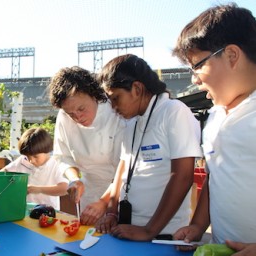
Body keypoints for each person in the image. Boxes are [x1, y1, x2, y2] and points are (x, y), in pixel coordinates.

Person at [171, 3, 256, 255]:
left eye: (197, 65)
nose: (194, 79)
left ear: (231, 55)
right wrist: (198, 225)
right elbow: (215, 176)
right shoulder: (216, 114)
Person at [95, 54, 202, 241]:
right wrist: (112, 212)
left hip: (163, 234)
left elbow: (183, 176)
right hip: (128, 229)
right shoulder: (131, 122)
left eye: (116, 98)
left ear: (137, 88)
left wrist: (149, 230)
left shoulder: (174, 112)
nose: (113, 107)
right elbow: (122, 170)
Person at [48, 66, 128, 225]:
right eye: (71, 114)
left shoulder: (115, 111)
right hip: (90, 194)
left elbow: (126, 167)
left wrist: (105, 202)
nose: (77, 116)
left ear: (94, 95)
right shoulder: (64, 116)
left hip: (123, 191)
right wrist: (74, 179)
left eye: (81, 109)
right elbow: (63, 156)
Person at [0, 127, 68, 210]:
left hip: (48, 214)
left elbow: (64, 189)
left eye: (35, 156)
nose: (31, 160)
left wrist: (39, 189)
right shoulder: (22, 160)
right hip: (24, 211)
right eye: (28, 156)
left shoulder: (56, 163)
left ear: (47, 151)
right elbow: (2, 173)